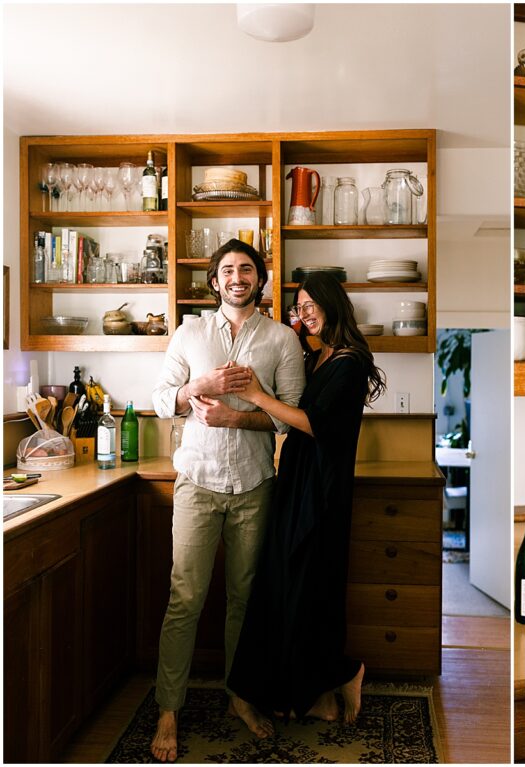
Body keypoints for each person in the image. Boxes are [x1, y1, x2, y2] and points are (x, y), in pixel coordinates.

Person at [150, 239, 305, 761]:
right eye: (227, 270)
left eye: (246, 269)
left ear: (260, 279)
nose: (237, 277)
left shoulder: (283, 339)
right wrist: (201, 384)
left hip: (256, 485)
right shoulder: (190, 333)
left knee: (245, 599)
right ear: (214, 281)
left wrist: (237, 415)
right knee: (185, 598)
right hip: (196, 481)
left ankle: (240, 696)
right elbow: (158, 401)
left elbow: (290, 416)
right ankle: (169, 708)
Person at [226, 272, 386, 725]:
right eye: (300, 307)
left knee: (309, 589)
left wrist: (255, 394)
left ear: (335, 303)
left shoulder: (350, 362)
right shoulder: (321, 356)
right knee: (290, 587)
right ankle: (311, 694)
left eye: (312, 304)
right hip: (298, 480)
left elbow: (316, 423)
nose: (305, 313)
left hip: (323, 489)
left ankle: (343, 672)